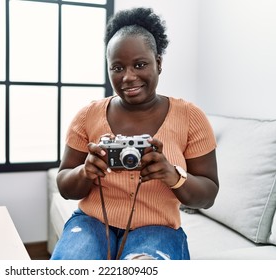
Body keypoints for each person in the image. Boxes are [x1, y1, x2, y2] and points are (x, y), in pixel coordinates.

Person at [50, 7, 219, 260]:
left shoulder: (190, 117)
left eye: (139, 64)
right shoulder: (87, 116)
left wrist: (173, 175)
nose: (128, 77)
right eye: (117, 68)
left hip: (158, 228)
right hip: (92, 222)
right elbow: (65, 185)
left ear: (158, 63)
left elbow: (208, 196)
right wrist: (85, 171)